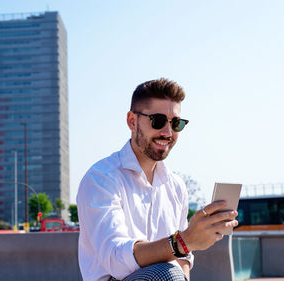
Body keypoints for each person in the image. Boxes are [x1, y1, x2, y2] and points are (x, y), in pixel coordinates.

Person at [76, 78, 239, 281]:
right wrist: (183, 240)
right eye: (158, 121)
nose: (168, 133)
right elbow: (117, 259)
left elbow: (182, 260)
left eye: (176, 123)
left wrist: (184, 246)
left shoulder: (176, 187)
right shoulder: (101, 179)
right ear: (132, 121)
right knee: (165, 274)